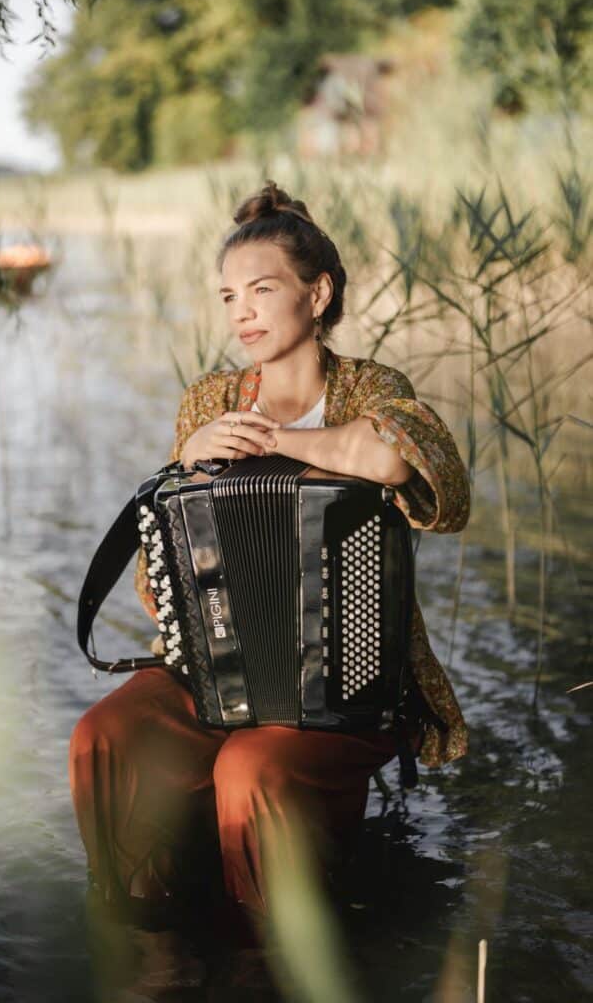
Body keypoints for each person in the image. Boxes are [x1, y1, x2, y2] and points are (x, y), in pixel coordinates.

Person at [69, 180, 470, 948]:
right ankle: (140, 932)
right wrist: (183, 461)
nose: (241, 312)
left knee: (252, 768)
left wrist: (274, 438)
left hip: (343, 682)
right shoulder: (209, 399)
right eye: (227, 297)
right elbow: (164, 578)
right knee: (104, 735)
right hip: (214, 670)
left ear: (317, 294)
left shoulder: (368, 387)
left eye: (262, 289)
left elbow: (405, 466)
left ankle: (268, 959)